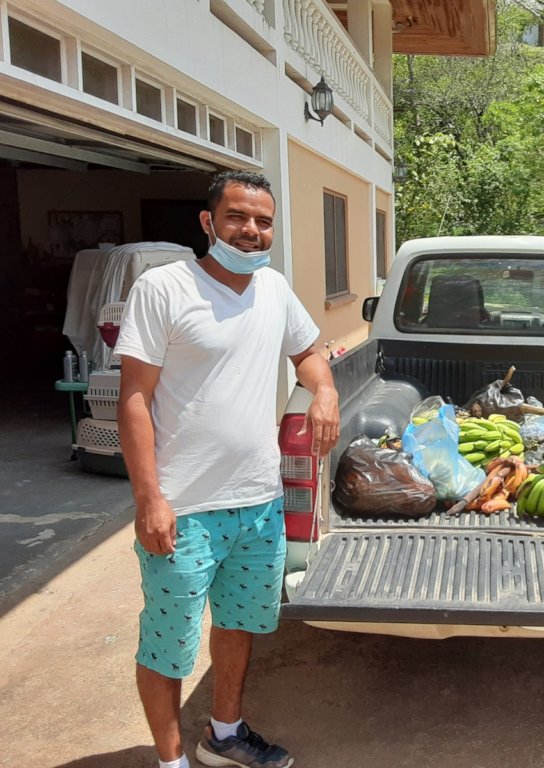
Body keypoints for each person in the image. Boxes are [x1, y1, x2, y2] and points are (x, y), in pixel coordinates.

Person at [116, 170, 340, 768]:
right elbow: (134, 397)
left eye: (263, 222)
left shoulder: (273, 290)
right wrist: (149, 499)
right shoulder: (165, 289)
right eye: (238, 217)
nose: (251, 231)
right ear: (208, 222)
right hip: (183, 508)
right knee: (169, 645)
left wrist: (323, 392)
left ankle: (225, 734)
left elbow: (310, 352)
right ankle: (172, 762)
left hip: (258, 504)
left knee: (237, 627)